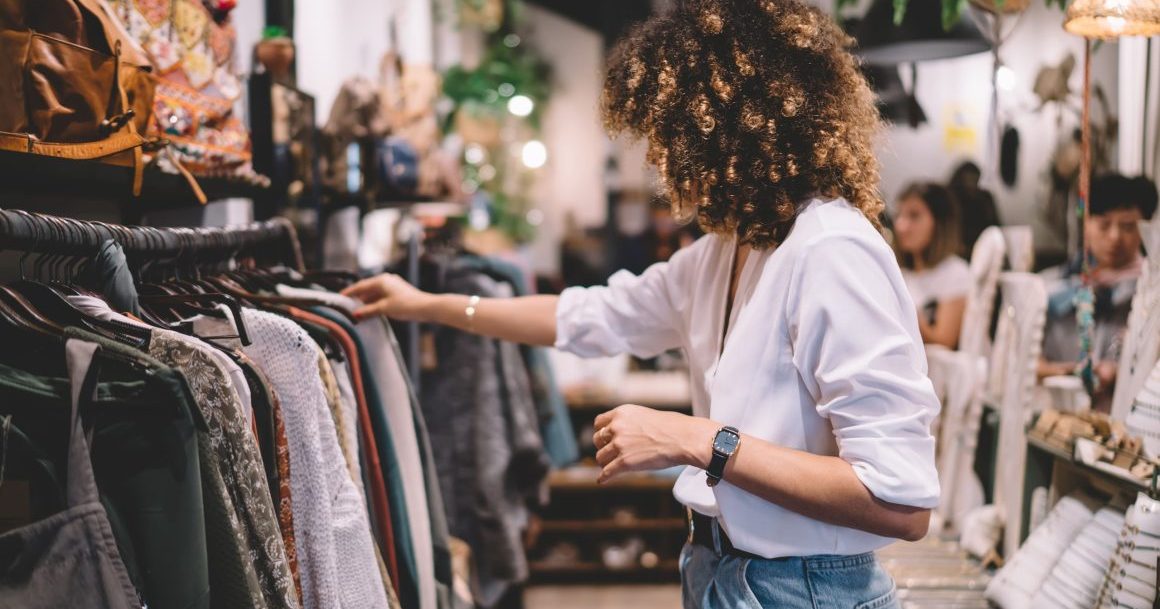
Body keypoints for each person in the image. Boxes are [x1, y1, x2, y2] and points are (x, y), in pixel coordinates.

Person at [343, 2, 938, 608]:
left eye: (670, 136)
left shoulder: (831, 251)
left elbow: (899, 501)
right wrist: (428, 305)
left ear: (727, 128)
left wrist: (699, 440)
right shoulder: (725, 251)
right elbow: (586, 315)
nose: (660, 162)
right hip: (720, 572)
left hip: (804, 591)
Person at [1039, 173, 1159, 408]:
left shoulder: (1151, 296)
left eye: (1127, 226)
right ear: (1086, 224)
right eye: (1104, 224)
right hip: (1054, 415)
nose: (1115, 237)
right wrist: (1063, 372)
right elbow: (1021, 359)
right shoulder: (1050, 288)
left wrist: (1121, 372)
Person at [892, 182, 972, 349]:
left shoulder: (955, 272)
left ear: (939, 222)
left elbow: (945, 342)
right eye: (899, 215)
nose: (901, 226)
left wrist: (905, 311)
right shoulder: (900, 272)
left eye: (914, 216)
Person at [948, 161, 1001, 256]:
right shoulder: (951, 197)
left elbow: (995, 226)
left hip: (983, 246)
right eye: (969, 179)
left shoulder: (985, 198)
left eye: (975, 180)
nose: (971, 184)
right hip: (957, 247)